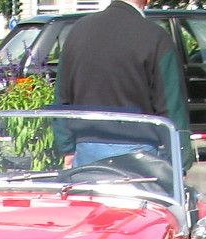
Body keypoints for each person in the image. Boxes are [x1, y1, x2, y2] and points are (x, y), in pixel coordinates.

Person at [54, 0, 190, 168]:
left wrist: (66, 147)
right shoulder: (156, 37)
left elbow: (62, 96)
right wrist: (181, 157)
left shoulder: (78, 31)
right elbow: (171, 103)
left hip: (86, 149)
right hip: (139, 152)